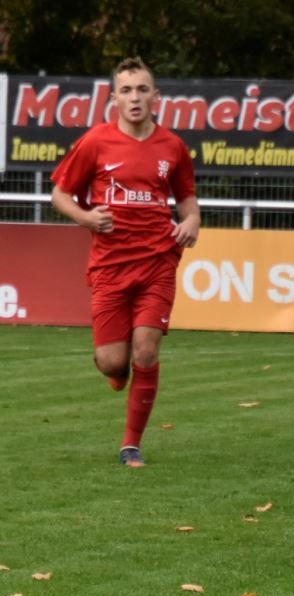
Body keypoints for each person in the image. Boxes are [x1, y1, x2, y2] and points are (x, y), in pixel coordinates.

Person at [50, 56, 200, 468]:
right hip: (110, 265)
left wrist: (192, 221)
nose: (135, 98)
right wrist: (86, 217)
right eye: (127, 90)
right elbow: (60, 195)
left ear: (156, 96)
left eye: (142, 89)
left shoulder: (173, 147)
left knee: (145, 351)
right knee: (113, 362)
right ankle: (115, 371)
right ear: (114, 98)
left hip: (157, 261)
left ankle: (131, 445)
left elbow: (187, 200)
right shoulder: (96, 141)